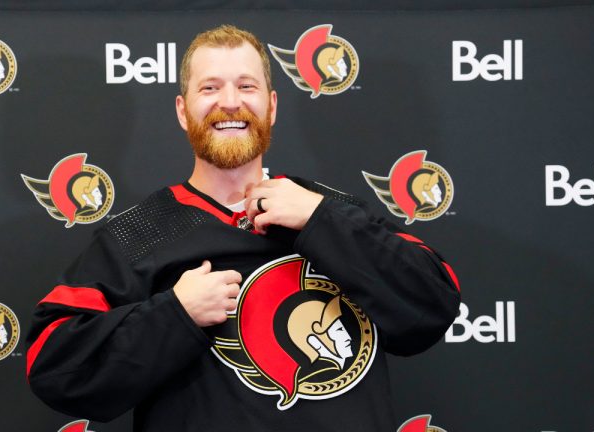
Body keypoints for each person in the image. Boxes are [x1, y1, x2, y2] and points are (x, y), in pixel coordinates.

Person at [26, 24, 460, 431]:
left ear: (271, 106)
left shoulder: (333, 209)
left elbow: (432, 304)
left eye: (246, 86)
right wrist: (175, 314)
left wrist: (321, 221)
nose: (230, 102)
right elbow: (53, 363)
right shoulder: (138, 233)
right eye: (210, 87)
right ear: (183, 110)